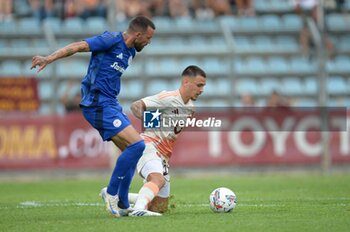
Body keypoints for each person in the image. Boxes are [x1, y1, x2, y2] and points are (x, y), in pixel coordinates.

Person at [31, 15, 156, 217]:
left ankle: (123, 203)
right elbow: (79, 46)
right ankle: (112, 193)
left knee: (132, 150)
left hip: (111, 104)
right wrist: (49, 58)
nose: (149, 42)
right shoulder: (110, 40)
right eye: (148, 38)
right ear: (138, 34)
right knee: (137, 145)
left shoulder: (131, 51)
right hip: (96, 104)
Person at [100, 65, 207, 216]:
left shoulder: (190, 108)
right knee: (158, 179)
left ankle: (115, 195)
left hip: (163, 155)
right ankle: (139, 209)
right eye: (199, 85)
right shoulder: (168, 98)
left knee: (159, 207)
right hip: (149, 145)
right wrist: (149, 122)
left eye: (203, 86)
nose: (202, 89)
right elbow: (136, 106)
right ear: (186, 82)